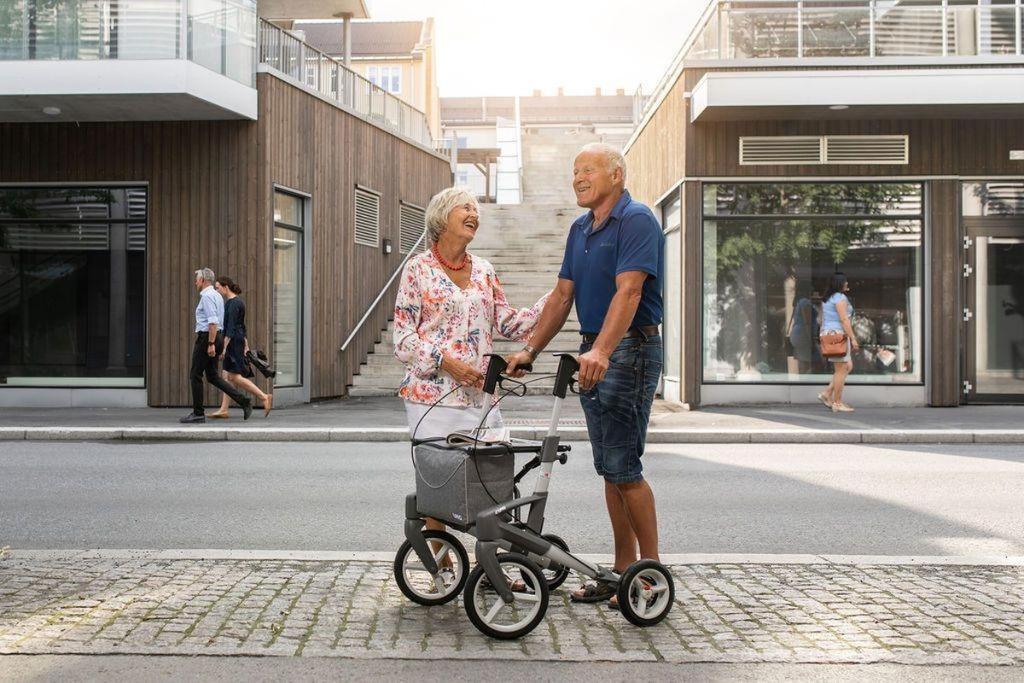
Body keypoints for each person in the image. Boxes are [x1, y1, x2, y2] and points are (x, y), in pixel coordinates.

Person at [506, 143, 664, 609]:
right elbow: (561, 296)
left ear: (616, 174)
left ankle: (649, 576)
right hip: (595, 350)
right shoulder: (580, 229)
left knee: (625, 469)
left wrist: (602, 350)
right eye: (574, 171)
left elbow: (630, 292)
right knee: (611, 468)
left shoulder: (636, 220)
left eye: (588, 170)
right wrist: (530, 349)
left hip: (629, 348)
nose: (577, 178)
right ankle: (621, 570)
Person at [393, 186, 549, 535]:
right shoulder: (417, 269)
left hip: (481, 396)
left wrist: (558, 295)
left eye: (476, 209)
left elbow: (510, 323)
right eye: (465, 208)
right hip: (431, 399)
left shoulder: (484, 271)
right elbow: (403, 339)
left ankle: (491, 556)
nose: (473, 214)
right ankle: (441, 558)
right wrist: (447, 362)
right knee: (438, 485)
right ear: (441, 217)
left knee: (489, 482)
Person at [180, 268, 252, 424]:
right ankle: (244, 400)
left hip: (208, 337)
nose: (195, 281)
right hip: (217, 336)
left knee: (195, 375)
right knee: (212, 376)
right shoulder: (217, 295)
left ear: (203, 280)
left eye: (197, 279)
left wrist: (210, 344)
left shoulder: (207, 296)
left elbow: (212, 322)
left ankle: (198, 413)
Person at [209, 276, 273, 419]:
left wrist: (224, 347)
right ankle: (224, 409)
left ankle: (264, 397)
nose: (217, 290)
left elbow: (231, 328)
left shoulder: (233, 304)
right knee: (226, 376)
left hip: (232, 342)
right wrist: (246, 344)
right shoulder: (235, 302)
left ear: (226, 287)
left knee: (234, 376)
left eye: (218, 288)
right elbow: (242, 326)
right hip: (237, 340)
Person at [818, 273, 859, 413]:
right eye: (845, 281)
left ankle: (827, 393)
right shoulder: (840, 298)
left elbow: (823, 319)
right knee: (841, 370)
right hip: (838, 336)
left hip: (830, 334)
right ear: (840, 283)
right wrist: (853, 338)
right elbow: (844, 320)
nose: (847, 283)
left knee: (847, 366)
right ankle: (837, 403)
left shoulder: (827, 299)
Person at [787, 284, 817, 375]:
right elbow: (807, 322)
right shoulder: (805, 302)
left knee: (802, 362)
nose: (813, 291)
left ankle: (801, 379)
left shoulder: (798, 302)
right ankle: (805, 381)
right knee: (808, 363)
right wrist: (810, 339)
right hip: (803, 335)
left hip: (797, 334)